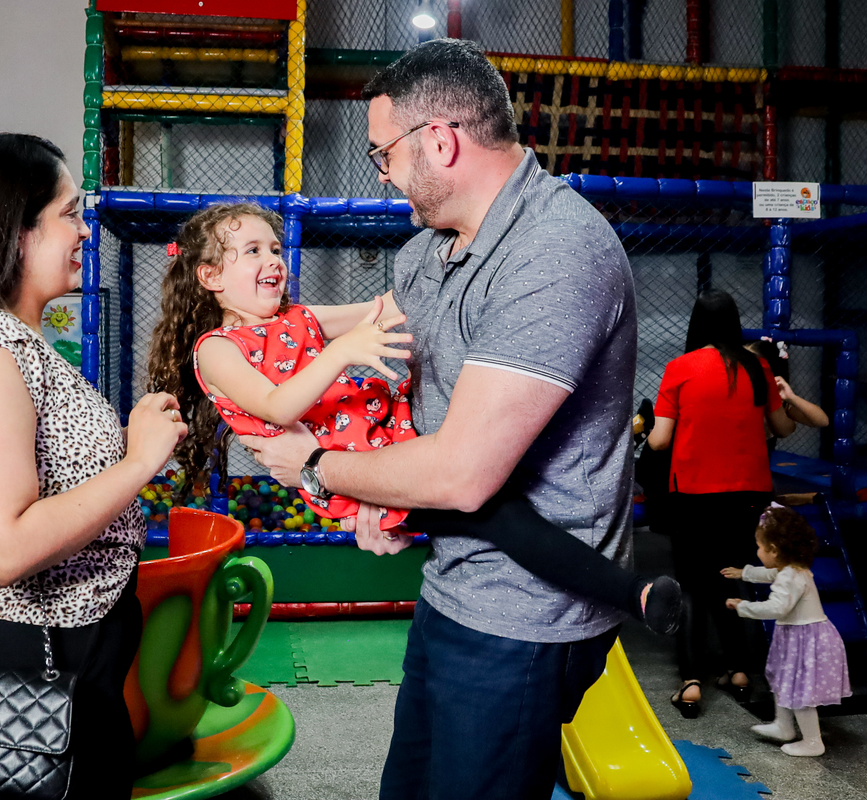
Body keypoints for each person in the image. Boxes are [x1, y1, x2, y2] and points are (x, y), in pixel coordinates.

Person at [237, 40, 639, 799]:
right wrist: (378, 495)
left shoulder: (555, 251)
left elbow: (461, 473)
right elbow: (405, 387)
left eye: (383, 154)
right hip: (452, 581)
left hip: (526, 609)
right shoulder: (427, 253)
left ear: (441, 141)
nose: (381, 174)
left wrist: (316, 468)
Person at [147, 201, 680, 632]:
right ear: (210, 276)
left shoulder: (298, 318)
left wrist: (460, 259)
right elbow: (277, 405)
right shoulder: (216, 350)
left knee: (499, 475)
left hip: (389, 429)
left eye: (274, 248)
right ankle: (630, 593)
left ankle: (625, 579)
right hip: (352, 469)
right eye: (252, 251)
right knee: (497, 515)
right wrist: (343, 351)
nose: (273, 260)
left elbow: (387, 309)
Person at [0, 133, 187, 799]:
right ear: (15, 231)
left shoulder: (17, 343)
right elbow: (4, 547)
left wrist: (133, 446)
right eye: (69, 213)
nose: (85, 231)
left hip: (68, 662)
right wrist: (137, 462)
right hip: (20, 667)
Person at [647, 289, 796, 718]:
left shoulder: (680, 368)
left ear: (695, 323)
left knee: (692, 585)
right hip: (749, 493)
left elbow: (659, 441)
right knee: (733, 576)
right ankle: (740, 672)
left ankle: (691, 682)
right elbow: (783, 428)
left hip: (694, 494)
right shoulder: (758, 366)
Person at [722, 504, 851, 756]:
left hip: (805, 640)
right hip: (796, 637)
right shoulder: (791, 568)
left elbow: (777, 607)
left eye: (759, 547)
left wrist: (743, 606)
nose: (758, 551)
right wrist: (744, 573)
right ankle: (783, 725)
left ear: (774, 550)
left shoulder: (791, 577)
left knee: (800, 691)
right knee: (783, 681)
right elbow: (770, 574)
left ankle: (813, 741)